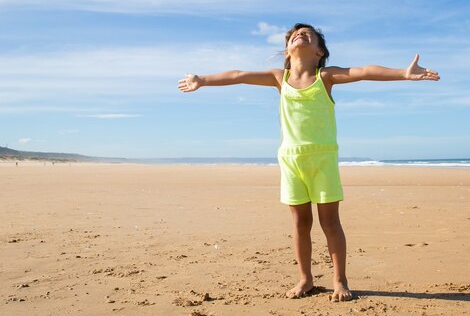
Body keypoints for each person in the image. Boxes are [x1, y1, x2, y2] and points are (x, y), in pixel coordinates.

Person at [177, 23, 440, 302]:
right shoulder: (280, 77)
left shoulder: (325, 76)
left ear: (319, 51)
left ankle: (340, 280)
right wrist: (203, 79)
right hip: (291, 160)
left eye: (308, 34)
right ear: (288, 51)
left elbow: (364, 72)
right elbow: (239, 75)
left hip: (323, 159)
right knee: (300, 223)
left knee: (330, 222)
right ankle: (305, 279)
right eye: (294, 35)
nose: (300, 35)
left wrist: (403, 73)